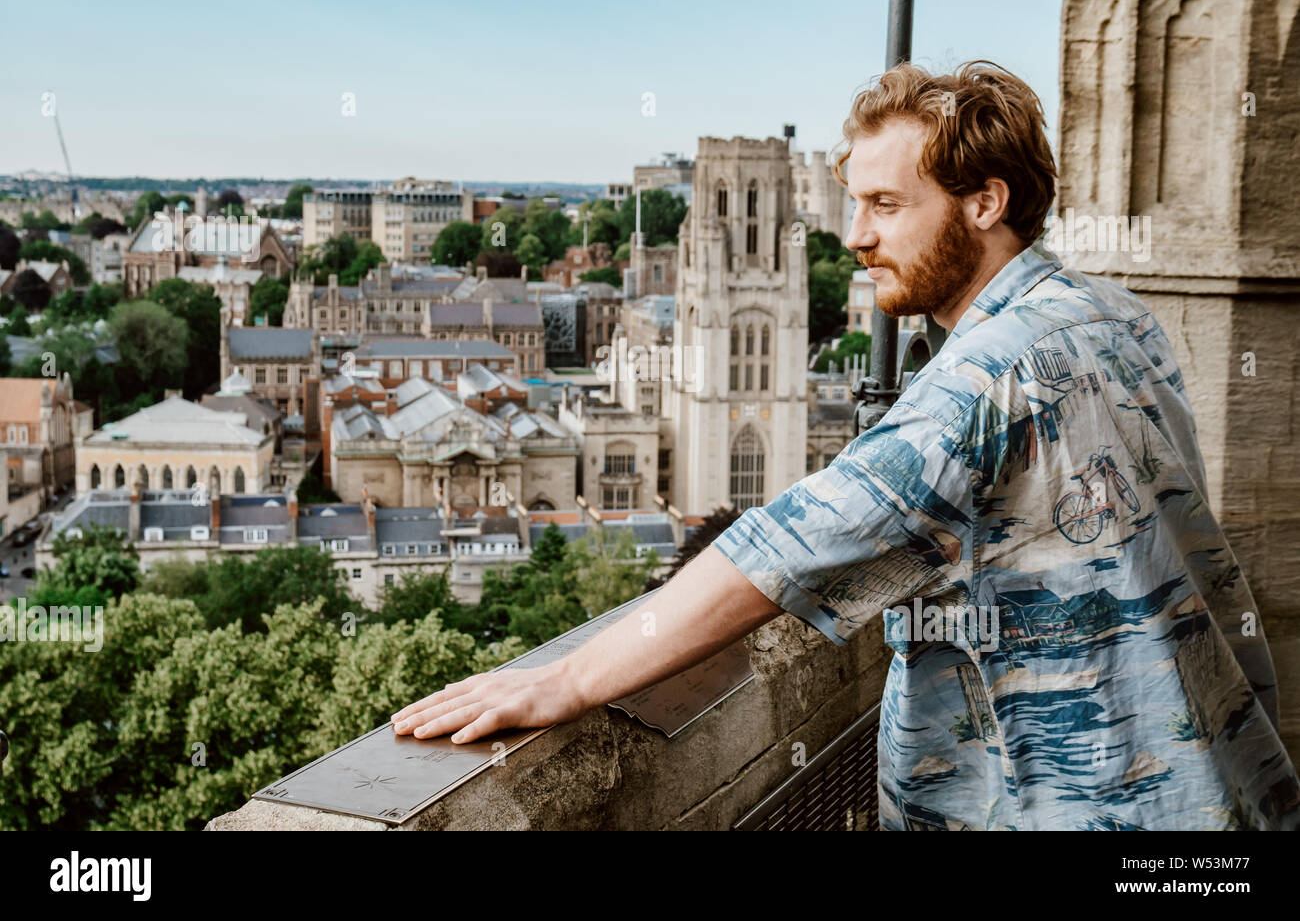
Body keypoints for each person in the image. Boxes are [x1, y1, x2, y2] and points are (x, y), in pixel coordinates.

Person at [393, 60, 1300, 831]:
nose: (858, 237)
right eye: (852, 204)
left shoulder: (987, 375)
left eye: (885, 204)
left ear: (987, 201)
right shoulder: (1110, 311)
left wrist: (567, 680)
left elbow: (784, 548)